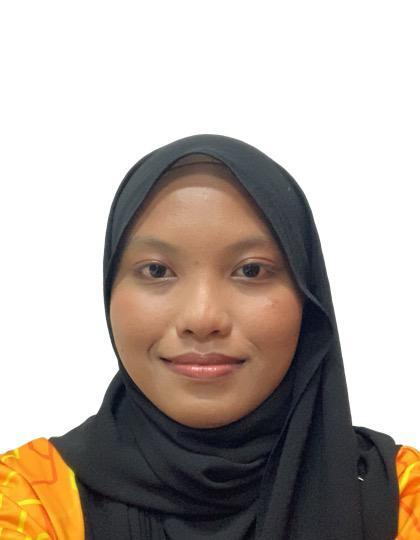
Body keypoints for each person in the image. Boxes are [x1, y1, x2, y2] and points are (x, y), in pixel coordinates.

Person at [0, 134, 419, 539]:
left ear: (308, 298)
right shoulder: (28, 498)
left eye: (251, 270)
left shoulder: (403, 497)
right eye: (157, 270)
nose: (202, 318)